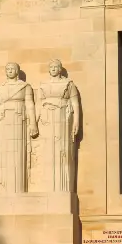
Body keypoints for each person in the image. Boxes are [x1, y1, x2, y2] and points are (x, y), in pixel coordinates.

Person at [0, 62, 37, 194]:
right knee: (4, 154)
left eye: (12, 69)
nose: (9, 71)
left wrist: (33, 123)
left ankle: (18, 188)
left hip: (18, 120)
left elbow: (29, 104)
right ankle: (4, 187)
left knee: (18, 154)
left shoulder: (24, 86)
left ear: (17, 71)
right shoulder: (0, 87)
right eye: (7, 69)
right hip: (4, 121)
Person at [36, 59, 81, 192]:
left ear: (60, 69)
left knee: (63, 150)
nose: (53, 68)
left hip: (62, 118)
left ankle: (63, 187)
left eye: (56, 66)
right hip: (47, 119)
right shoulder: (43, 85)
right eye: (51, 67)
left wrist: (76, 121)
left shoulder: (68, 84)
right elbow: (38, 104)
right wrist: (33, 123)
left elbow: (75, 103)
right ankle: (48, 185)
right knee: (48, 150)